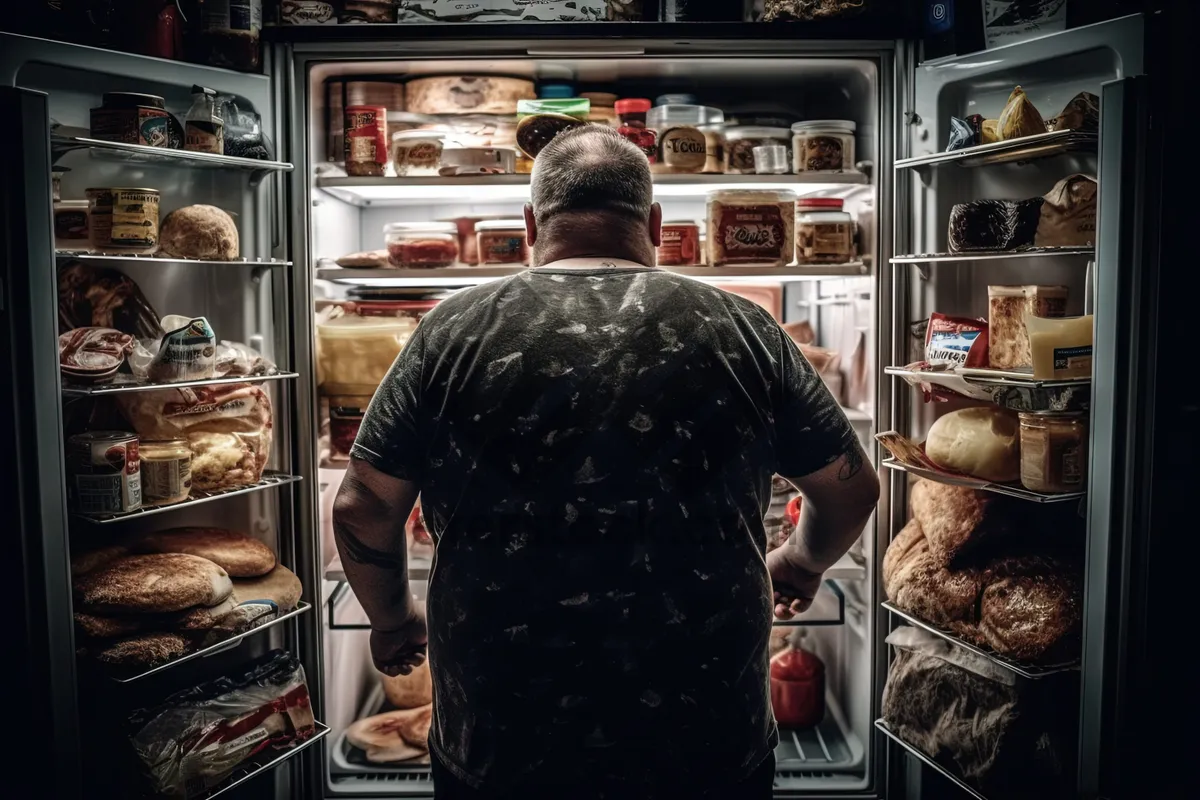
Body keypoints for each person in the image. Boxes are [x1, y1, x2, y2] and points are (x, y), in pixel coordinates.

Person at [333, 125, 879, 800]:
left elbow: (364, 503)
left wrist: (392, 621)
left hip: (503, 733)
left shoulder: (449, 330)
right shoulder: (746, 329)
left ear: (534, 223)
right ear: (652, 221)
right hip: (704, 731)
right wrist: (800, 562)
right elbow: (851, 490)